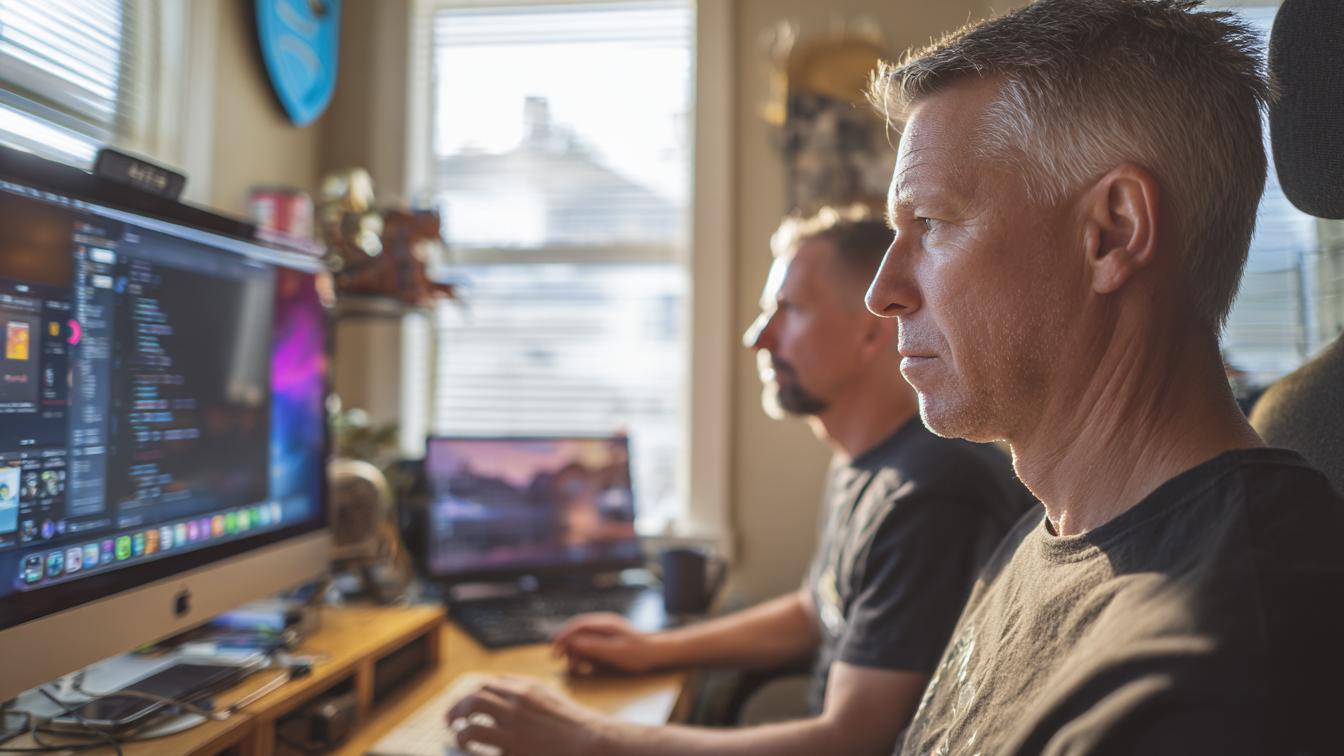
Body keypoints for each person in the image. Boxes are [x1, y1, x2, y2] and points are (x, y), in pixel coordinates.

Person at [861, 1, 1344, 753]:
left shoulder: (1220, 670)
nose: (882, 293)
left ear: (1112, 232)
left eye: (930, 223)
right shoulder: (1051, 533)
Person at [446, 207, 1032, 756]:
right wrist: (651, 648)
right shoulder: (868, 465)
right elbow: (817, 610)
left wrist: (586, 738)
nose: (758, 337)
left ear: (871, 332)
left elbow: (848, 741)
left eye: (788, 310)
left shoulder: (931, 496)